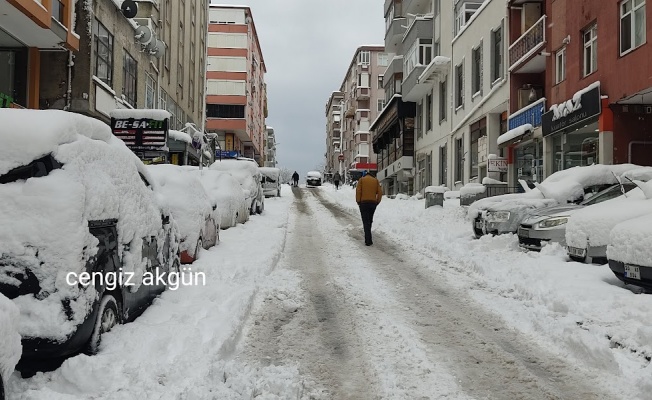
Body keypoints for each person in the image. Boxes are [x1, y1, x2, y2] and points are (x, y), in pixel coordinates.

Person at [355, 170, 382, 246]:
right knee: (370, 220)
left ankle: (368, 240)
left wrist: (358, 201)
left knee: (365, 221)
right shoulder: (376, 181)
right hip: (372, 203)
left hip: (363, 203)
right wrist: (377, 201)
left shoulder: (362, 180)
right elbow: (380, 192)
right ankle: (368, 237)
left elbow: (358, 191)